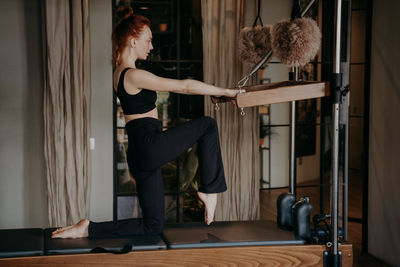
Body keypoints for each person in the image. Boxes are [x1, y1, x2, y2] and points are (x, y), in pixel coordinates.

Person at [52, 7, 241, 239]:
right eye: (148, 40)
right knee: (208, 125)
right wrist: (228, 91)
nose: (151, 47)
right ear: (133, 41)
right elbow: (185, 86)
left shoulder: (118, 73)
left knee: (153, 225)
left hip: (140, 153)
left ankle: (88, 228)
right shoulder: (132, 75)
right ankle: (209, 190)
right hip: (148, 145)